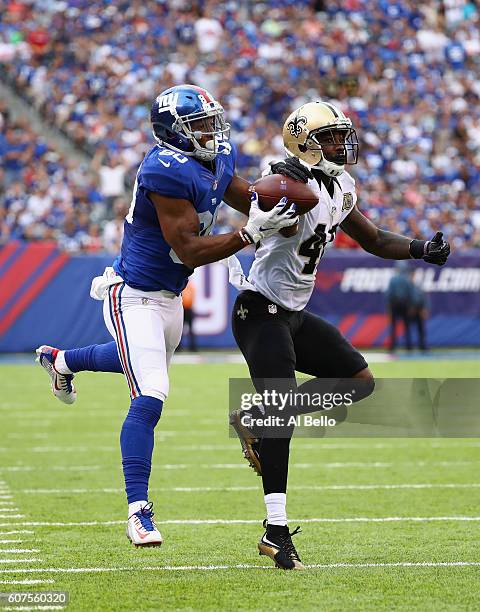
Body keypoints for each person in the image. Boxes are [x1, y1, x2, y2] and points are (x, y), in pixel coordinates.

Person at [36, 84, 297, 548]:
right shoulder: (163, 170)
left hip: (170, 296)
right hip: (132, 292)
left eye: (210, 122)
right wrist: (248, 237)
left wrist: (282, 200)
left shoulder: (212, 159)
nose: (210, 132)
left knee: (137, 359)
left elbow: (243, 195)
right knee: (151, 392)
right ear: (173, 132)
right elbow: (190, 248)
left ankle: (63, 361)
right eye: (198, 125)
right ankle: (138, 511)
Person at [228, 100, 451, 570]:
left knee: (359, 380)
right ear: (304, 141)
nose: (339, 143)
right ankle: (275, 531)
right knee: (282, 417)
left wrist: (419, 249)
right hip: (259, 311)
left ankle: (253, 419)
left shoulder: (339, 185)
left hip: (292, 314)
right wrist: (278, 182)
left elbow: (371, 238)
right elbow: (259, 194)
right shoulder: (289, 181)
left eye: (339, 134)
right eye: (329, 136)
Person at [386, 261, 416, 352]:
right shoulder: (406, 279)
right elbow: (411, 293)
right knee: (406, 326)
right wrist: (411, 306)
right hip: (404, 304)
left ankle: (393, 347)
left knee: (394, 327)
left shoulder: (393, 279)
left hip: (395, 304)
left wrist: (389, 307)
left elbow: (389, 294)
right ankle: (408, 347)